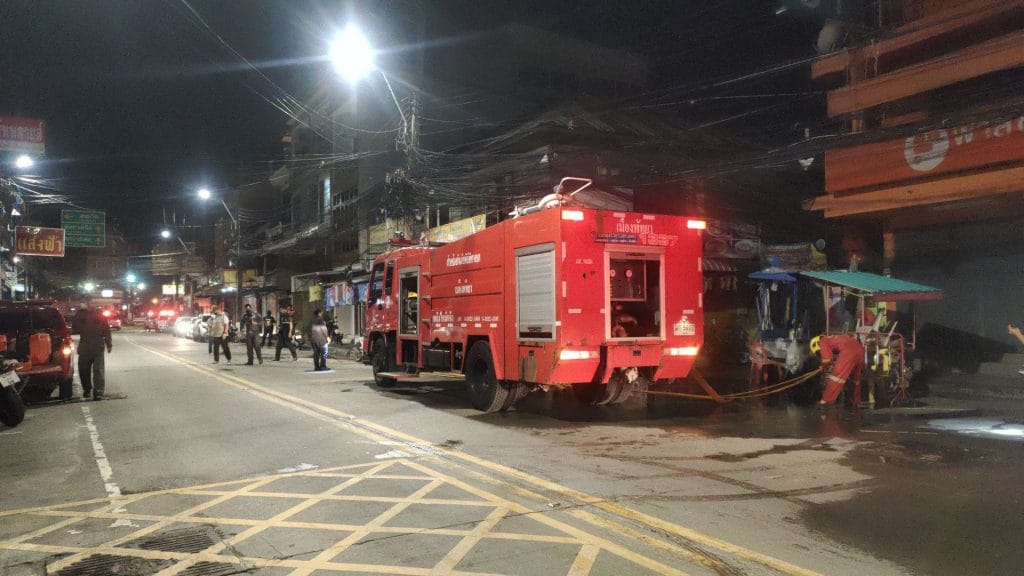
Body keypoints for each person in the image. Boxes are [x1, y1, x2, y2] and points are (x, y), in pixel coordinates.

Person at [72, 296, 112, 400]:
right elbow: (74, 327)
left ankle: (98, 392)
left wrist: (109, 343)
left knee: (98, 370)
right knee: (83, 370)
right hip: (84, 345)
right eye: (86, 302)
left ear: (94, 303)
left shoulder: (100, 314)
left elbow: (106, 329)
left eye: (91, 302)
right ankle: (87, 389)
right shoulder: (80, 314)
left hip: (98, 345)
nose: (89, 304)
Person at [810, 334, 864, 407]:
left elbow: (827, 359)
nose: (820, 354)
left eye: (819, 352)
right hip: (860, 351)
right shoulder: (834, 338)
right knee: (854, 379)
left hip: (848, 352)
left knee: (836, 378)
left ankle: (825, 402)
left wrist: (822, 367)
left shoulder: (822, 342)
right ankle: (856, 402)